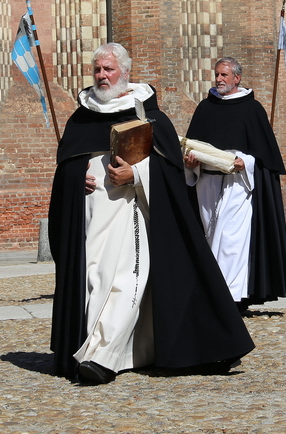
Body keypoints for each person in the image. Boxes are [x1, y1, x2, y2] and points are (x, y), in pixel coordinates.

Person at [48, 43, 254, 385]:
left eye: (108, 69)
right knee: (96, 281)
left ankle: (102, 358)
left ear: (125, 72)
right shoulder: (82, 114)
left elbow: (168, 166)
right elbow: (65, 166)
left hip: (134, 210)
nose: (101, 76)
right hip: (92, 215)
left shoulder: (146, 112)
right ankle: (118, 350)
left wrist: (137, 175)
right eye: (97, 70)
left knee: (127, 279)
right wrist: (73, 178)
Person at [184, 57, 286, 309]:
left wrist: (244, 162)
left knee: (232, 240)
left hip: (237, 185)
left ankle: (231, 299)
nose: (219, 79)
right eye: (217, 75)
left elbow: (262, 156)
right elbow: (193, 145)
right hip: (207, 185)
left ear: (237, 78)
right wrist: (190, 164)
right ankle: (212, 294)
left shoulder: (252, 109)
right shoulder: (205, 107)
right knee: (211, 238)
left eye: (224, 75)